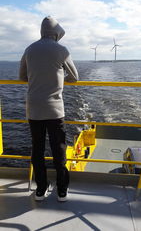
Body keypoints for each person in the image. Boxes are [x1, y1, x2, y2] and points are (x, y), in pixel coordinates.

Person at [19, 16, 78, 202]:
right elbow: (74, 77)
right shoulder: (61, 50)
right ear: (56, 33)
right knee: (58, 149)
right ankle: (62, 191)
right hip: (55, 110)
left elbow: (22, 77)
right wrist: (59, 78)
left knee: (37, 149)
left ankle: (40, 190)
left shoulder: (29, 49)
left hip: (34, 109)